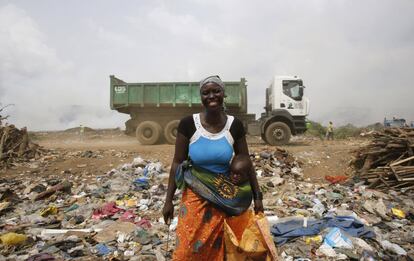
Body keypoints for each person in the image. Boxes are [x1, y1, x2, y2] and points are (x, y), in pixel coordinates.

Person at [162, 75, 263, 260]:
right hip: (194, 194)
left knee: (220, 249)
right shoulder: (188, 124)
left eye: (216, 91)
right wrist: (168, 200)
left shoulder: (234, 126)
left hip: (223, 196)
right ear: (200, 96)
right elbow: (177, 162)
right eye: (205, 92)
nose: (211, 96)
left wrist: (257, 197)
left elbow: (246, 161)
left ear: (224, 94)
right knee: (186, 248)